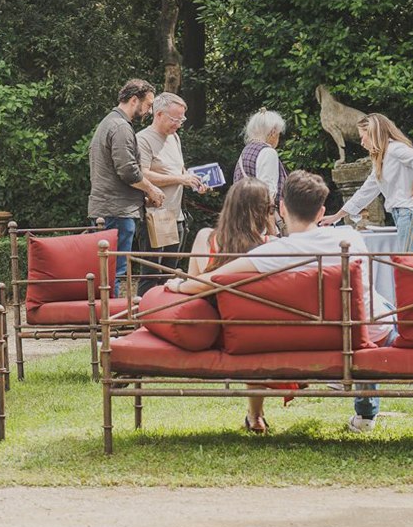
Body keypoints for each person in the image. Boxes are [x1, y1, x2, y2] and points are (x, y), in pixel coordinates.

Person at [173, 170, 391, 432]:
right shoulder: (351, 238)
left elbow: (212, 279)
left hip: (314, 339)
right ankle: (366, 415)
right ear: (322, 212)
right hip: (368, 334)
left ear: (282, 208)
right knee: (378, 310)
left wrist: (177, 284)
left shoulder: (274, 252)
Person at [180, 179, 278, 433]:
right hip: (253, 334)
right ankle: (255, 416)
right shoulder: (271, 246)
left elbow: (194, 288)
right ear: (264, 210)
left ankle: (255, 416)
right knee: (254, 335)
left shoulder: (206, 238)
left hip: (214, 332)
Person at [321, 113, 413, 252]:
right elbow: (364, 193)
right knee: (409, 267)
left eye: (362, 137)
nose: (362, 143)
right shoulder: (381, 160)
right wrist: (336, 216)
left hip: (410, 213)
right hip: (405, 214)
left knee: (411, 268)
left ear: (373, 133)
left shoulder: (394, 149)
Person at [87, 78, 163, 291]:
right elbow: (128, 171)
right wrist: (151, 189)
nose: (148, 111)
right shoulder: (120, 127)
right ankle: (110, 320)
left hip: (109, 207)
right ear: (133, 100)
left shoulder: (109, 123)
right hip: (117, 210)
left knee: (106, 269)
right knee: (114, 270)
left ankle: (104, 318)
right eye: (148, 105)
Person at [137, 92, 206, 273]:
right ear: (158, 114)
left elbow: (180, 170)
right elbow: (141, 174)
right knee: (151, 274)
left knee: (171, 273)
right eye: (174, 119)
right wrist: (180, 179)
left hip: (177, 216)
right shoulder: (142, 139)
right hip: (154, 215)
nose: (178, 124)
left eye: (181, 120)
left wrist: (194, 181)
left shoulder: (175, 137)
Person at [235, 109, 287, 200]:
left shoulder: (247, 150)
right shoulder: (268, 152)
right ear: (273, 132)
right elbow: (268, 192)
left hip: (244, 210)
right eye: (279, 134)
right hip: (262, 212)